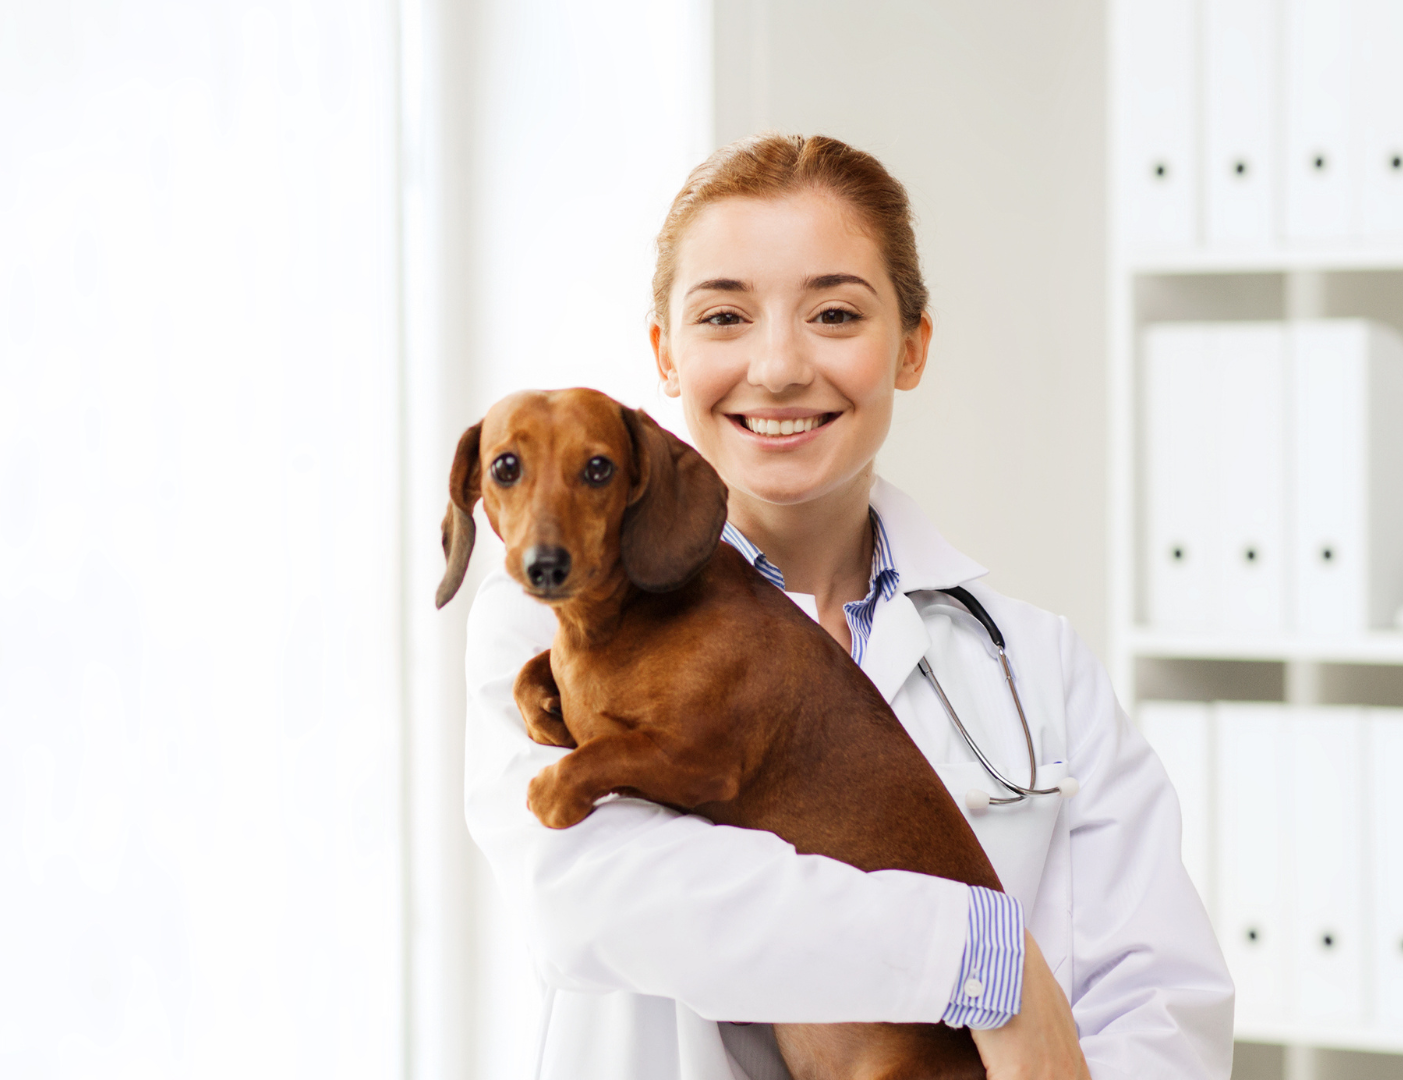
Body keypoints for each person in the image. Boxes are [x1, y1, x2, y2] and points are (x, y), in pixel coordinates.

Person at [461, 133, 1232, 1080]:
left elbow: (1164, 1003)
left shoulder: (1037, 666)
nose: (779, 367)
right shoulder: (545, 622)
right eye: (724, 317)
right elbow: (592, 897)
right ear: (665, 355)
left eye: (833, 313)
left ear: (911, 347)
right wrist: (981, 959)